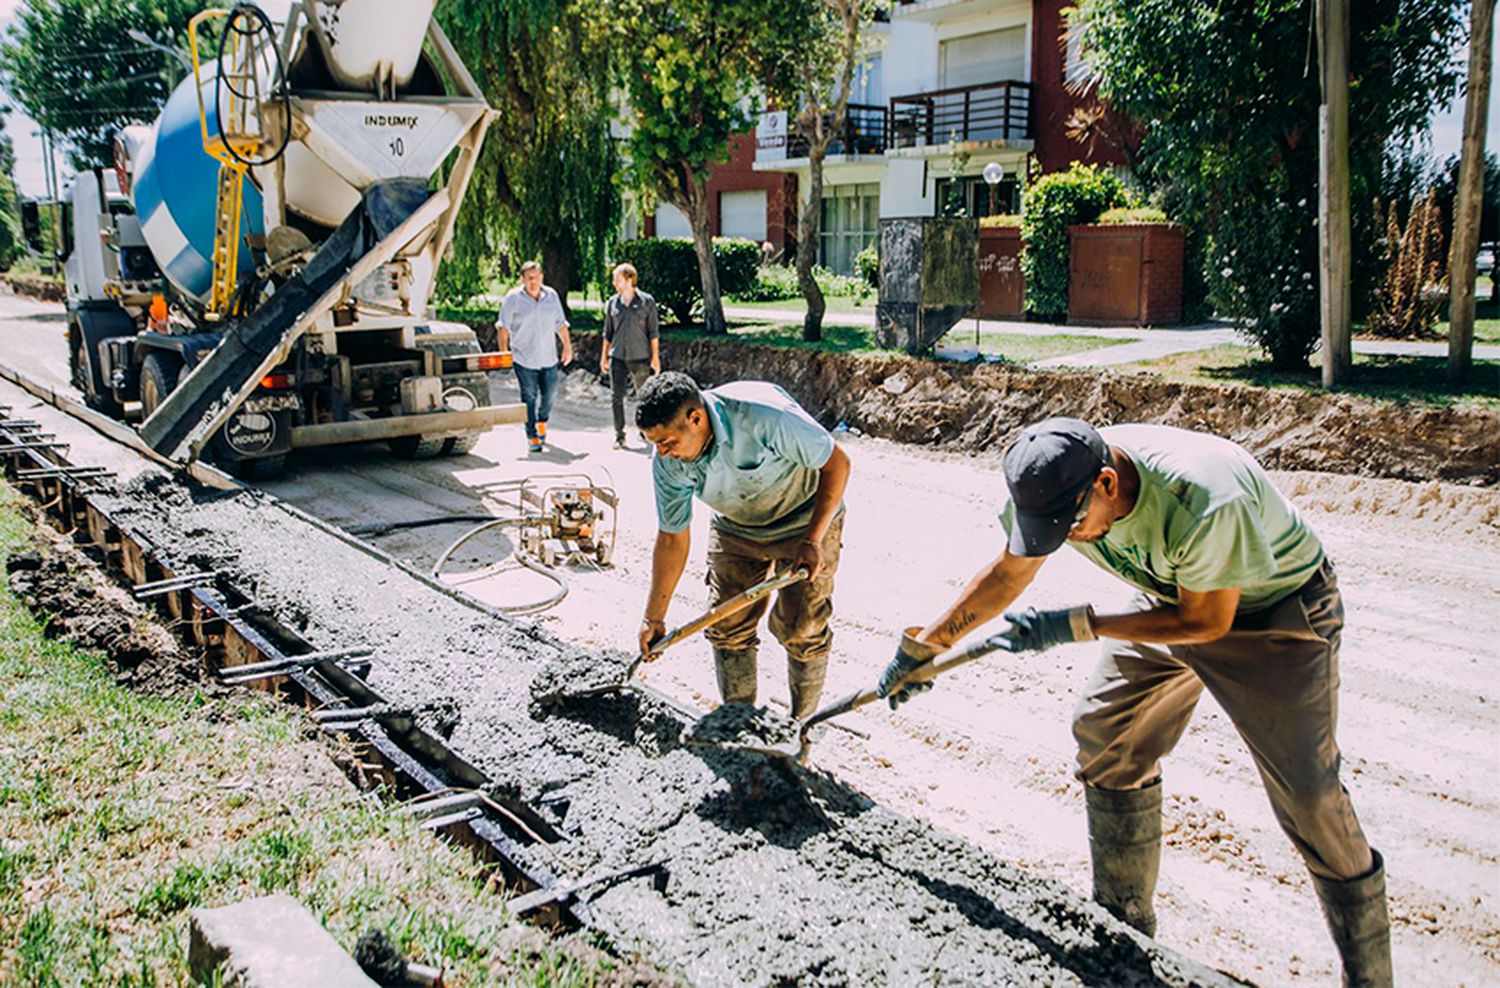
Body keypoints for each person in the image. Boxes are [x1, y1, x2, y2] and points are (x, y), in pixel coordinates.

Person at [878, 418, 1389, 986]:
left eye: (1069, 526)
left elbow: (1207, 620)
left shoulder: (1201, 497)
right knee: (1106, 733)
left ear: (1106, 484)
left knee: (1310, 798)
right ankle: (1124, 927)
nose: (1064, 538)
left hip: (1273, 613)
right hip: (1173, 593)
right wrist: (927, 644)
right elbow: (1008, 573)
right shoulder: (1051, 479)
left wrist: (1080, 624)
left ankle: (1370, 979)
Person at [635, 372, 850, 719]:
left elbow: (837, 464)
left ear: (696, 418)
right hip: (737, 527)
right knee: (727, 625)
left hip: (805, 517)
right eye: (654, 443)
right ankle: (740, 725)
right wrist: (653, 618)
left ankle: (801, 729)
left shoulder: (762, 415)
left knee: (803, 626)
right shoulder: (667, 463)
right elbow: (673, 538)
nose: (662, 453)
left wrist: (812, 539)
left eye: (668, 442)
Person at [496, 261, 572, 452]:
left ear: (542, 277)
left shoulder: (551, 296)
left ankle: (542, 421)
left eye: (536, 277)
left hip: (548, 357)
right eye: (529, 278)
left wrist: (567, 347)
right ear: (522, 279)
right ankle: (532, 435)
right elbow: (503, 327)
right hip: (524, 358)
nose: (533, 281)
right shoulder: (513, 298)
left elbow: (560, 324)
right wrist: (504, 352)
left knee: (550, 394)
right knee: (528, 397)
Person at [599, 262, 661, 448]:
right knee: (616, 397)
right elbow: (607, 333)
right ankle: (620, 435)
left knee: (644, 397)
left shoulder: (647, 302)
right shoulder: (612, 303)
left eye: (617, 279)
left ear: (629, 279)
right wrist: (604, 357)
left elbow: (654, 333)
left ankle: (645, 431)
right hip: (617, 356)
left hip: (640, 357)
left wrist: (655, 357)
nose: (614, 283)